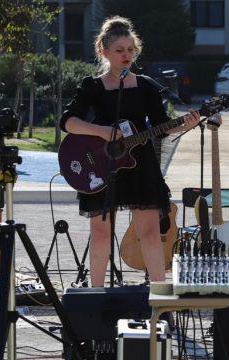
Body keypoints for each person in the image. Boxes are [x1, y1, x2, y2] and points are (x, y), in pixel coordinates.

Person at [60, 15, 200, 287]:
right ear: (104, 51)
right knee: (100, 233)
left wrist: (186, 123)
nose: (126, 55)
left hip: (140, 166)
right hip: (100, 164)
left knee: (149, 232)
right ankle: (95, 296)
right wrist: (101, 131)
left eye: (130, 50)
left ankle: (159, 295)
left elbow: (160, 126)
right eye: (119, 50)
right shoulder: (92, 86)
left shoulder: (146, 85)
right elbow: (68, 122)